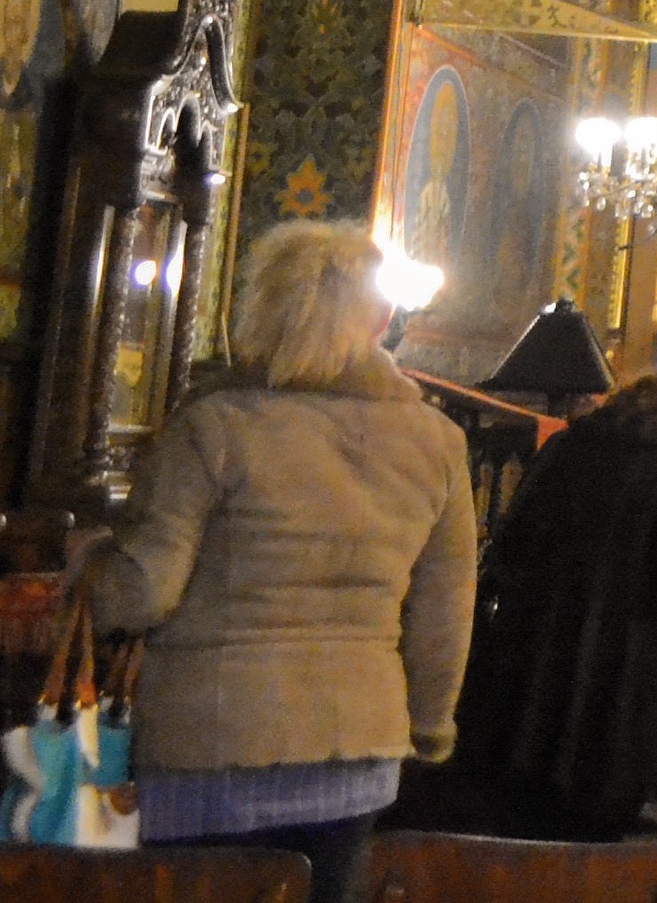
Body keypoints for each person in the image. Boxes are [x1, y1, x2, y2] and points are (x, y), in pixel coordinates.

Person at [84, 224, 476, 897]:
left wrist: (89, 564)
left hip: (209, 742)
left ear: (259, 309)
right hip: (358, 743)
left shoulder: (215, 424)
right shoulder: (436, 440)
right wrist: (429, 727)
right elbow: (445, 610)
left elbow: (145, 589)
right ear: (382, 318)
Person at [447, 367, 657, 838]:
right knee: (596, 808)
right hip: (624, 662)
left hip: (537, 644)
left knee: (523, 806)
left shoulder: (569, 445)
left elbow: (514, 537)